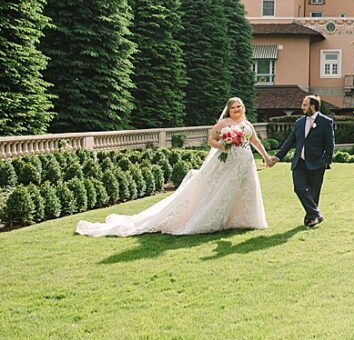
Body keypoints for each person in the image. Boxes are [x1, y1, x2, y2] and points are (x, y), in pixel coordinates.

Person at [76, 97, 270, 237]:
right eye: (234, 107)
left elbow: (254, 141)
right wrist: (223, 145)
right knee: (223, 190)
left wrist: (266, 157)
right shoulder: (224, 123)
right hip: (229, 162)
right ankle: (212, 220)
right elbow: (210, 139)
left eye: (240, 106)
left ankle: (247, 221)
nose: (237, 109)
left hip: (246, 162)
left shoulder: (247, 123)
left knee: (247, 189)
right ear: (229, 110)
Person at [270, 95, 334, 228]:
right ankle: (316, 213)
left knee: (313, 193)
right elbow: (290, 141)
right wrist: (277, 157)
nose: (302, 107)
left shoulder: (325, 121)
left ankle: (311, 218)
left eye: (305, 105)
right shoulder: (299, 122)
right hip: (299, 162)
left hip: (317, 163)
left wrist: (326, 161)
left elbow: (330, 143)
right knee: (299, 188)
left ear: (313, 106)